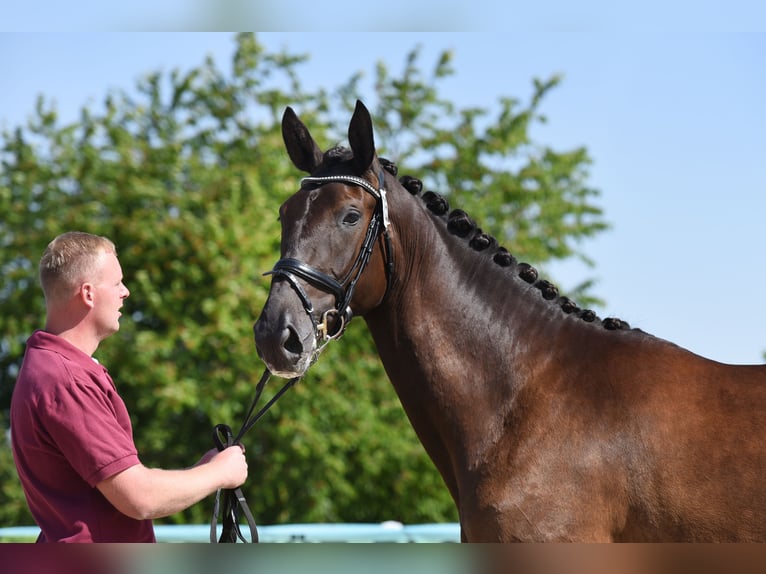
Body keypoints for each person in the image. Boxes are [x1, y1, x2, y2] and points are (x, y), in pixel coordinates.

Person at [10, 231, 248, 543]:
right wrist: (219, 473)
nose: (126, 292)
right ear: (88, 294)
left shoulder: (50, 367)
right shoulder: (67, 380)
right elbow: (139, 498)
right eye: (117, 282)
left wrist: (205, 468)